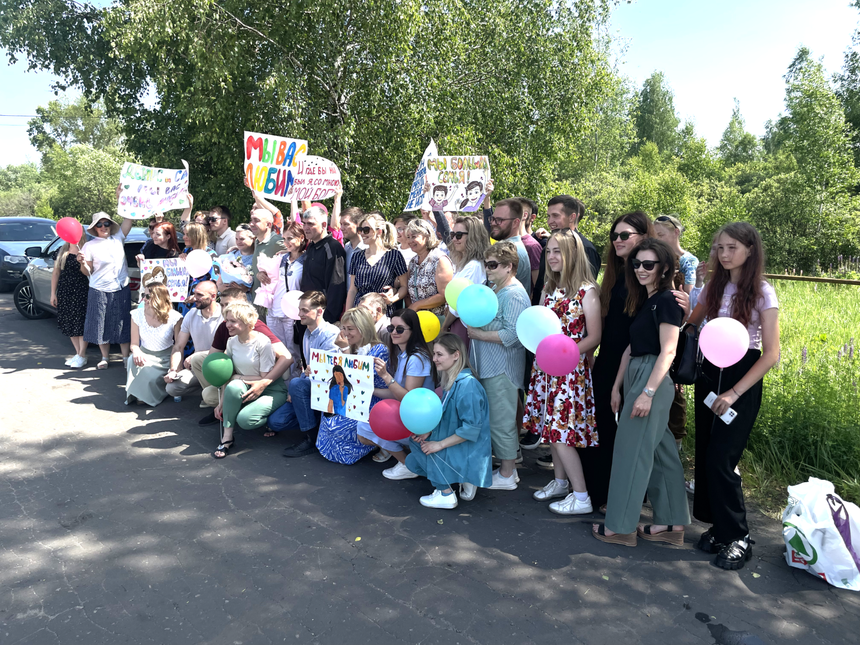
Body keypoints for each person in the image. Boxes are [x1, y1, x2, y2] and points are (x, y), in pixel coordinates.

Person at [687, 222, 780, 570]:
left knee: (722, 460)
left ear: (750, 250)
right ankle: (720, 528)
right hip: (710, 374)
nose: (724, 255)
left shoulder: (763, 293)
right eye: (720, 248)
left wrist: (735, 392)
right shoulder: (714, 286)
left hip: (742, 378)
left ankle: (739, 536)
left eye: (732, 248)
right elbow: (692, 323)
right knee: (706, 454)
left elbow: (771, 353)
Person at [594, 238, 690, 547]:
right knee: (662, 453)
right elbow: (631, 349)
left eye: (648, 264)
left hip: (652, 378)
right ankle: (671, 523)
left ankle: (620, 527)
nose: (640, 269)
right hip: (638, 373)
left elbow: (669, 350)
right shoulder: (647, 300)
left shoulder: (666, 300)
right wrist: (617, 386)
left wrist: (647, 392)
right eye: (636, 264)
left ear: (664, 268)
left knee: (630, 454)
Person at [569, 212, 656, 510]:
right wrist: (592, 353)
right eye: (614, 236)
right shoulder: (617, 272)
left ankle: (620, 494)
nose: (617, 241)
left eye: (625, 235)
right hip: (607, 358)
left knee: (621, 430)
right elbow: (606, 322)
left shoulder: (648, 273)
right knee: (601, 425)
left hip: (632, 361)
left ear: (644, 237)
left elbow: (649, 326)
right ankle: (599, 491)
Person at [522, 232, 601, 512]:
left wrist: (564, 352)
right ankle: (560, 481)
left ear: (573, 254)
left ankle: (582, 497)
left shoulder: (587, 291)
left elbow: (594, 336)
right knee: (548, 428)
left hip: (569, 371)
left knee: (562, 432)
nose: (552, 257)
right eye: (550, 252)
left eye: (558, 251)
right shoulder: (548, 288)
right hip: (545, 369)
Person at [466, 242, 530, 491]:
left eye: (492, 265)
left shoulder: (513, 294)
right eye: (486, 264)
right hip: (491, 366)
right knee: (495, 419)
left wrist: (478, 334)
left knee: (501, 421)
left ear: (509, 267)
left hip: (502, 368)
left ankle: (508, 473)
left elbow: (513, 335)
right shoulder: (496, 289)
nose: (487, 269)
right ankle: (505, 468)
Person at [405, 334, 493, 509]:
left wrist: (439, 444)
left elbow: (471, 429)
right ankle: (463, 477)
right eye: (434, 354)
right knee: (416, 446)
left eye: (439, 354)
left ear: (456, 355)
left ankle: (446, 493)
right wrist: (429, 432)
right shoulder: (452, 381)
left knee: (422, 449)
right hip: (461, 443)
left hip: (468, 448)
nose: (434, 359)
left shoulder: (468, 386)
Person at [199, 288, 293, 425]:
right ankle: (225, 411)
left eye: (229, 304)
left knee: (245, 417)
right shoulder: (226, 327)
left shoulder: (257, 330)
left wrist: (264, 382)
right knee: (199, 365)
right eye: (223, 305)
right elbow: (213, 358)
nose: (226, 309)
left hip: (263, 380)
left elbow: (287, 357)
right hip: (240, 379)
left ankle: (249, 411)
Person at [363, 309, 435, 478]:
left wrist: (386, 377)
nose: (394, 333)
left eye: (400, 329)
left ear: (413, 330)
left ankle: (408, 465)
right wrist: (369, 390)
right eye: (391, 328)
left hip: (419, 421)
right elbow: (396, 393)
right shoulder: (404, 354)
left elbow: (408, 398)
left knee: (366, 428)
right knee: (364, 427)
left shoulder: (417, 358)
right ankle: (409, 459)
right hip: (410, 416)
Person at [212, 301, 289, 458]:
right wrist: (221, 402)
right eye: (227, 321)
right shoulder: (232, 342)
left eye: (233, 321)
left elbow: (263, 378)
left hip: (270, 388)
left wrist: (237, 376)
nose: (228, 325)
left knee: (246, 421)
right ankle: (227, 438)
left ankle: (269, 419)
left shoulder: (263, 342)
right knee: (233, 387)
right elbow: (228, 375)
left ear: (247, 322)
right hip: (246, 386)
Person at [269, 291, 341, 456]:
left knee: (296, 384)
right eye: (299, 309)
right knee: (275, 422)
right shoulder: (307, 333)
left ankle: (311, 437)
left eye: (304, 310)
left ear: (319, 311)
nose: (299, 314)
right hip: (312, 385)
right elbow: (308, 368)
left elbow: (329, 370)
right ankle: (315, 422)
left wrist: (300, 384)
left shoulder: (330, 333)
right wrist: (297, 387)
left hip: (329, 389)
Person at [317, 307, 390, 465]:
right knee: (328, 416)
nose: (345, 333)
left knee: (340, 426)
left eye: (350, 329)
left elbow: (357, 378)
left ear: (363, 328)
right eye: (343, 328)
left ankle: (383, 446)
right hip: (351, 397)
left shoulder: (379, 350)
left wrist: (345, 350)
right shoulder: (353, 346)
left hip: (371, 401)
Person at [78, 209, 135, 370]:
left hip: (121, 286)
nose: (103, 227)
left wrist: (122, 198)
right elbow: (86, 272)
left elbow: (129, 218)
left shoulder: (118, 238)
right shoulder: (89, 246)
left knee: (122, 322)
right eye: (100, 225)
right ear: (95, 228)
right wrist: (82, 263)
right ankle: (105, 357)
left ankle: (125, 357)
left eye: (106, 223)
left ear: (111, 225)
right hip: (99, 289)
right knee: (100, 323)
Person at [531, 195, 600, 305]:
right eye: (548, 216)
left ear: (572, 217)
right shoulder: (548, 246)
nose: (550, 222)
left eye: (555, 216)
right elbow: (540, 284)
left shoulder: (585, 248)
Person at [260, 221, 306, 380]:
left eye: (290, 239)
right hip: (274, 310)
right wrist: (261, 274)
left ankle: (292, 386)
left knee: (293, 351)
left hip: (292, 313)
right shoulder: (280, 258)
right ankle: (279, 383)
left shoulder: (307, 260)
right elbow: (268, 276)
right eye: (284, 239)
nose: (286, 243)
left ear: (301, 238)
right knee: (275, 349)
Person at [125, 281, 183, 406]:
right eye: (142, 295)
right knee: (132, 360)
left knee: (147, 371)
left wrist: (176, 368)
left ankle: (154, 393)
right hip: (144, 353)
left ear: (158, 298)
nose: (143, 299)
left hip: (166, 357)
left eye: (147, 296)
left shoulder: (175, 317)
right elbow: (134, 344)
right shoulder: (136, 315)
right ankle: (139, 393)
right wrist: (136, 351)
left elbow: (179, 346)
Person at [164, 281, 223, 400]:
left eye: (200, 295)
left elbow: (227, 350)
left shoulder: (224, 315)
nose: (195, 298)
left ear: (213, 296)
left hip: (220, 366)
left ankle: (214, 398)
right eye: (194, 294)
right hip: (197, 367)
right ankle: (206, 391)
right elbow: (178, 346)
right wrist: (173, 370)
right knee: (172, 388)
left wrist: (197, 356)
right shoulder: (191, 314)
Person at [346, 213, 408, 316]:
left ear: (379, 231)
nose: (362, 233)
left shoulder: (394, 255)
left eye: (366, 230)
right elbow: (352, 290)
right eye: (360, 230)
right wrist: (347, 315)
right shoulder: (357, 256)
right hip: (361, 311)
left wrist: (392, 299)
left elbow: (404, 287)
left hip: (383, 311)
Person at [442, 216, 490, 345]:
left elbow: (460, 304)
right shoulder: (465, 263)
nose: (454, 239)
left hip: (462, 324)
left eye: (459, 235)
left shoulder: (474, 266)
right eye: (453, 234)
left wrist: (444, 326)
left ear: (473, 237)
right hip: (457, 322)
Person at [300, 206, 347, 324]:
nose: (305, 228)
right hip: (307, 313)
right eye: (304, 223)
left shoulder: (333, 247)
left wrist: (328, 319)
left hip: (322, 317)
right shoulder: (311, 246)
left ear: (324, 224)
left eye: (310, 224)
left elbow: (336, 286)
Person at [51, 230, 89, 369]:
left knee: (80, 322)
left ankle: (82, 355)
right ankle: (78, 354)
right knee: (69, 322)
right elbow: (56, 273)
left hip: (81, 290)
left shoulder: (86, 249)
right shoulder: (62, 251)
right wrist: (53, 293)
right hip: (64, 290)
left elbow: (87, 273)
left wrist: (82, 261)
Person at [405, 219, 453, 317]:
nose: (410, 241)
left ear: (426, 236)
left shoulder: (439, 259)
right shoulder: (413, 262)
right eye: (408, 237)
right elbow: (407, 292)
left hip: (436, 319)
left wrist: (417, 305)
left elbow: (444, 295)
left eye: (414, 236)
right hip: (416, 319)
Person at [485, 199, 532, 298]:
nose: (493, 223)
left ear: (515, 222)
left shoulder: (513, 251)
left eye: (499, 220)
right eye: (492, 219)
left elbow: (494, 294)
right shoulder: (506, 247)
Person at [654, 214, 698, 294]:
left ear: (676, 232)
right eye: (654, 236)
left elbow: (690, 294)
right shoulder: (655, 258)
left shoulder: (688, 261)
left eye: (660, 235)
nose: (656, 239)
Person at [249, 208, 284, 303]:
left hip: (272, 302)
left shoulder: (276, 241)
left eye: (256, 220)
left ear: (268, 224)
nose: (251, 224)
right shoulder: (257, 241)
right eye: (251, 220)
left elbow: (296, 252)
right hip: (259, 299)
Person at [340, 206, 366, 272]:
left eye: (346, 224)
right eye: (341, 224)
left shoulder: (368, 248)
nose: (341, 228)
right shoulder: (346, 248)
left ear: (359, 225)